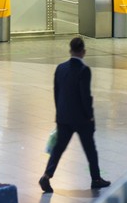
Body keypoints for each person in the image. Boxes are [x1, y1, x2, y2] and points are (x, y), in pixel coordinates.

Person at [39, 37, 111, 193]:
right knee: (90, 150)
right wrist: (90, 115)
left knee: (58, 149)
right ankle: (96, 179)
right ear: (83, 52)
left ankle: (46, 175)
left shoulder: (60, 68)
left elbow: (56, 93)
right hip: (81, 119)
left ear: (70, 50)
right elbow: (85, 96)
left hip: (63, 117)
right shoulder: (84, 71)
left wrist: (59, 113)